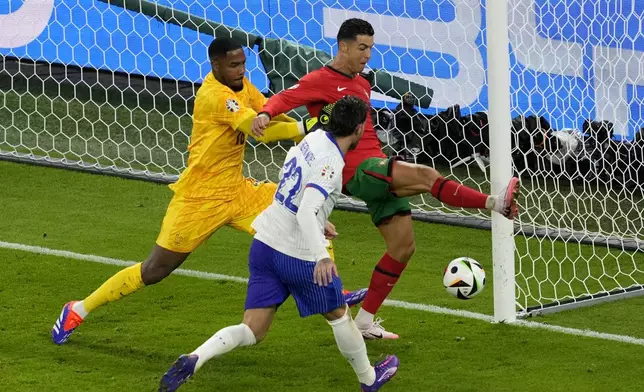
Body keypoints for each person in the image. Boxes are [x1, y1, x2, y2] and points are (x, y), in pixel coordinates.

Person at [51, 37, 365, 345]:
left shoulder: (242, 86)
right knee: (155, 270)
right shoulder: (214, 96)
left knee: (300, 209)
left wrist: (309, 128)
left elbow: (269, 113)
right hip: (199, 198)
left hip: (238, 191)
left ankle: (335, 290)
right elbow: (259, 131)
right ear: (215, 65)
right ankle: (77, 309)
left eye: (243, 63)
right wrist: (307, 127)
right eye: (233, 65)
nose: (240, 70)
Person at [251, 18, 520, 340]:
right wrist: (265, 113)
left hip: (376, 166)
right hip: (352, 170)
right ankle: (495, 203)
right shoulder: (320, 79)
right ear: (343, 46)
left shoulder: (363, 83)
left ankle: (364, 322)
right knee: (425, 175)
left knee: (403, 247)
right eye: (362, 48)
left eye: (370, 49)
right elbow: (285, 98)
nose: (367, 55)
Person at [159, 96, 399, 392]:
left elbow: (291, 182)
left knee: (253, 328)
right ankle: (369, 379)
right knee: (339, 315)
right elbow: (306, 209)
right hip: (298, 257)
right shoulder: (332, 162)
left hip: (265, 243)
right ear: (360, 128)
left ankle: (197, 356)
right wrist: (321, 256)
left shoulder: (313, 139)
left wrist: (320, 218)